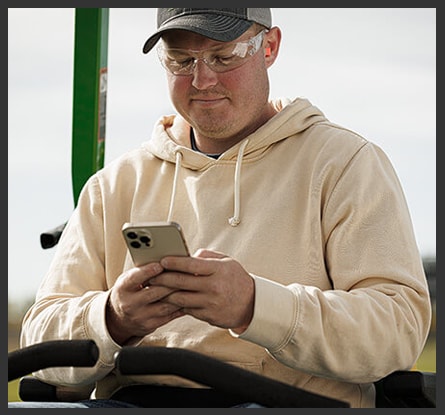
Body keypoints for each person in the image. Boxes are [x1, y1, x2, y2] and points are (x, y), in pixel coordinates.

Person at [9, 8, 432, 408]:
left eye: (223, 56)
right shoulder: (114, 185)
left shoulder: (344, 163)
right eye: (181, 61)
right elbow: (40, 341)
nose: (202, 79)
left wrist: (254, 306)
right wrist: (113, 319)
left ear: (269, 47)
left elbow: (397, 331)